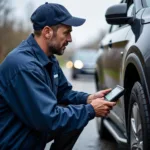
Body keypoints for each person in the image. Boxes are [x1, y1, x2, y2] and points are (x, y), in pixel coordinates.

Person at [0, 2, 116, 150]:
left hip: (31, 133)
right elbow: (49, 118)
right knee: (80, 113)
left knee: (79, 110)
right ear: (47, 32)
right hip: (13, 144)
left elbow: (64, 93)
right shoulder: (24, 66)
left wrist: (88, 99)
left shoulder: (48, 58)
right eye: (66, 32)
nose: (70, 39)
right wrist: (91, 110)